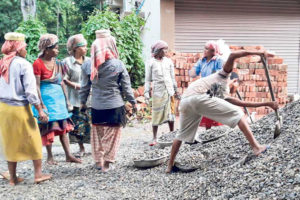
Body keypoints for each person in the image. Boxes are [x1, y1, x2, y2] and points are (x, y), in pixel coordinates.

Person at [166, 50, 277, 173]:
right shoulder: (224, 74)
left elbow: (240, 103)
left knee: (181, 134)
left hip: (185, 101)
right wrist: (260, 52)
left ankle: (170, 166)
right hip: (197, 97)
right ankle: (256, 147)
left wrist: (267, 104)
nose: (235, 89)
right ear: (234, 81)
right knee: (238, 113)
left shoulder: (221, 92)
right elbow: (233, 55)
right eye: (236, 86)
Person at [80, 29, 136, 172]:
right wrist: (133, 102)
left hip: (97, 106)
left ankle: (98, 161)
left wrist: (82, 103)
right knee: (112, 135)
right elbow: (126, 87)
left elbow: (84, 88)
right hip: (115, 106)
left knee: (97, 135)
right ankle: (107, 163)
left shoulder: (87, 65)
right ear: (112, 45)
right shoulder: (118, 65)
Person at [0, 32, 52, 185]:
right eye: (24, 47)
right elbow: (30, 91)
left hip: (3, 109)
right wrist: (40, 110)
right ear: (18, 48)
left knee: (10, 141)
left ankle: (13, 178)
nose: (26, 49)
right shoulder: (23, 64)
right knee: (34, 138)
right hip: (19, 109)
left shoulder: (2, 63)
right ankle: (38, 174)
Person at [32, 34, 81, 165]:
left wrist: (67, 100)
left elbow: (62, 82)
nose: (57, 50)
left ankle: (68, 155)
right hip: (46, 98)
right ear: (47, 49)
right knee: (48, 127)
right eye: (55, 48)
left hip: (58, 98)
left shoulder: (58, 63)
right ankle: (49, 157)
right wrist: (41, 104)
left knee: (63, 127)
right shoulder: (37, 63)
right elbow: (36, 85)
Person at [144, 40, 179, 146]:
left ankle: (172, 134)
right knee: (156, 114)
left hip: (169, 91)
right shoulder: (150, 63)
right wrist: (146, 92)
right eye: (164, 49)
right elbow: (147, 79)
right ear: (158, 51)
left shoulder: (168, 62)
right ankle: (154, 137)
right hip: (158, 92)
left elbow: (172, 77)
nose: (166, 51)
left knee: (171, 114)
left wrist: (176, 90)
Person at [63, 34, 91, 157]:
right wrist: (76, 85)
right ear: (75, 48)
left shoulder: (89, 60)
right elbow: (63, 79)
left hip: (90, 97)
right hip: (74, 98)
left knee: (91, 122)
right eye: (83, 46)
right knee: (78, 124)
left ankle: (94, 146)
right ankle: (81, 147)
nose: (86, 48)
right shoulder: (67, 62)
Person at [189, 40, 224, 130]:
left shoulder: (218, 60)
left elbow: (220, 74)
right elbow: (193, 74)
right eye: (204, 48)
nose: (205, 50)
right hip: (204, 88)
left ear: (213, 51)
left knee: (215, 111)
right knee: (206, 111)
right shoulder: (202, 61)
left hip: (215, 88)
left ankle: (218, 133)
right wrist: (194, 67)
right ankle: (208, 132)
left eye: (207, 49)